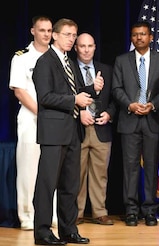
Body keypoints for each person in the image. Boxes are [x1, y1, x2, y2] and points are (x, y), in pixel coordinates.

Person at [32, 18, 98, 245]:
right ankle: (42, 232)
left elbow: (76, 92)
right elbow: (45, 97)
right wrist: (74, 99)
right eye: (68, 34)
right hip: (53, 132)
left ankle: (68, 230)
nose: (72, 39)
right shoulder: (45, 62)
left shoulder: (68, 62)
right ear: (55, 36)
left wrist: (92, 90)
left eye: (74, 35)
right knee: (47, 185)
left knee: (70, 186)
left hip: (71, 131)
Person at [111, 21, 159, 227]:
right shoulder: (121, 60)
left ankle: (150, 211)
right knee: (130, 168)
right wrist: (130, 105)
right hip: (129, 120)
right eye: (135, 34)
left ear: (151, 37)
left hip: (152, 120)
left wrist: (153, 105)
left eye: (143, 34)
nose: (139, 38)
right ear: (131, 37)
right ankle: (131, 211)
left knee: (152, 167)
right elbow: (116, 88)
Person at [8, 15, 58, 231]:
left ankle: (51, 214)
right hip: (32, 119)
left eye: (49, 30)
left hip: (55, 121)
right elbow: (19, 91)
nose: (46, 34)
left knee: (52, 170)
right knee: (29, 169)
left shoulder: (58, 57)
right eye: (42, 30)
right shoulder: (22, 57)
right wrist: (43, 113)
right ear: (33, 31)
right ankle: (27, 215)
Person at [74, 33, 116, 226]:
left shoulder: (106, 69)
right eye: (82, 46)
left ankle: (100, 212)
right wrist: (80, 110)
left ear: (95, 47)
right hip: (78, 129)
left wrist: (109, 113)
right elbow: (68, 95)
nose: (86, 50)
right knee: (77, 173)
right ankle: (77, 212)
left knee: (100, 173)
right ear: (76, 48)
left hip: (101, 128)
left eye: (90, 46)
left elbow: (115, 98)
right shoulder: (69, 68)